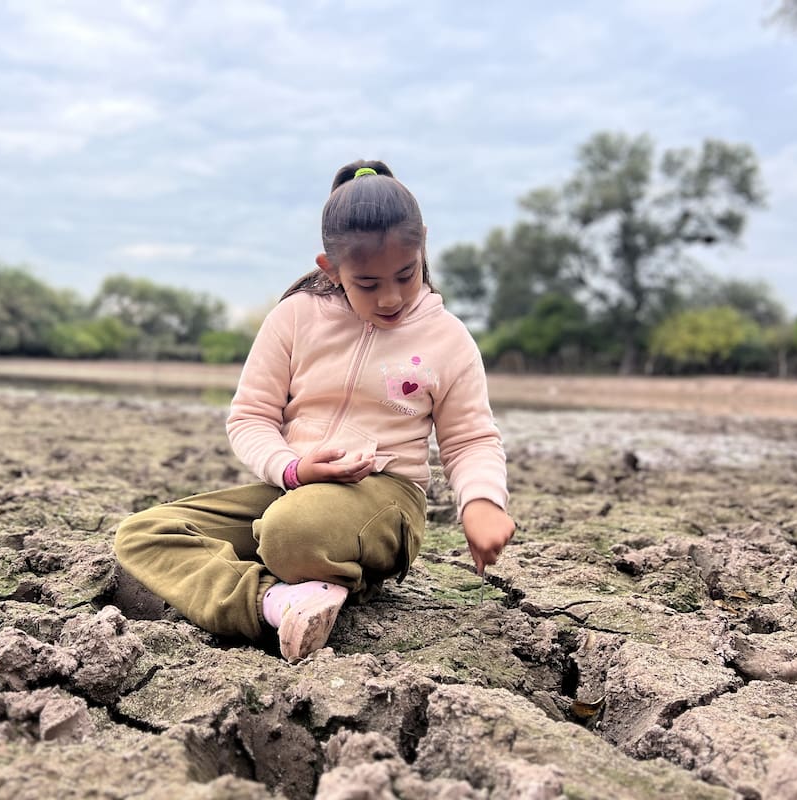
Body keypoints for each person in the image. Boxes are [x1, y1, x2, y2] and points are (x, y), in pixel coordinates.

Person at [114, 159, 514, 662]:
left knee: (290, 532)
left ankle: (321, 577)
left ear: (423, 247)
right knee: (143, 534)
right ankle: (275, 602)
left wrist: (481, 503)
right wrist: (292, 468)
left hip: (386, 498)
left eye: (405, 276)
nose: (390, 298)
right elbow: (251, 416)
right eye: (367, 283)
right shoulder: (295, 317)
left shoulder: (447, 338)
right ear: (331, 267)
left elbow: (471, 439)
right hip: (293, 487)